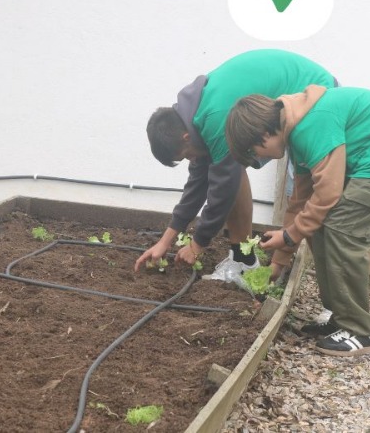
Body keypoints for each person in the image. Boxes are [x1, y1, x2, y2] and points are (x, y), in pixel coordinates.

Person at [226, 86, 370, 356]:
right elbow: (300, 201)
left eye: (254, 155)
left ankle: (360, 331)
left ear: (264, 136)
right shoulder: (296, 131)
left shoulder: (311, 125)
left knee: (342, 229)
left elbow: (328, 193)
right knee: (319, 227)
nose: (258, 160)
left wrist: (289, 237)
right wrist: (278, 262)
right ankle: (341, 318)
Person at [135, 49, 336, 280]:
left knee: (317, 198)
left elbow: (222, 189)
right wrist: (165, 242)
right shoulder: (195, 116)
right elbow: (198, 184)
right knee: (230, 170)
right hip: (304, 95)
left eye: (186, 155)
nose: (192, 160)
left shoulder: (216, 118)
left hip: (317, 99)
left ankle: (334, 293)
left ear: (185, 138)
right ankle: (245, 260)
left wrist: (197, 245)